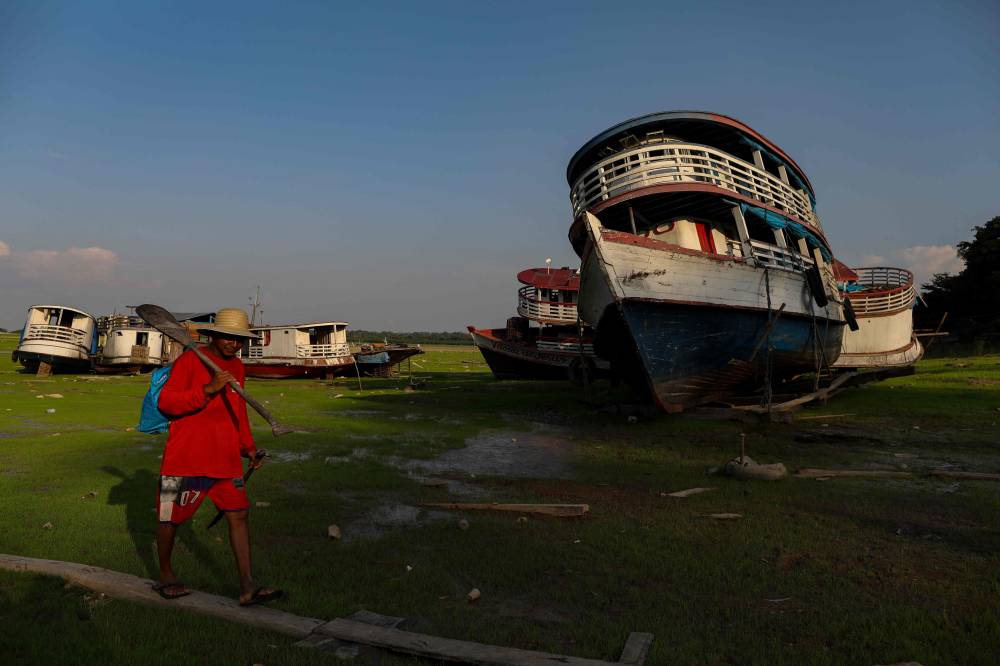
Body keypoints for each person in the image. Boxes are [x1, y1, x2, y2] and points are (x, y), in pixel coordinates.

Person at [153, 307, 282, 606]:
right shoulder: (190, 360)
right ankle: (166, 574)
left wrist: (248, 447)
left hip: (225, 459)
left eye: (239, 340)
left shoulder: (237, 367)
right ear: (213, 335)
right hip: (185, 458)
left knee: (239, 515)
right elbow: (167, 403)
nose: (233, 344)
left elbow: (237, 410)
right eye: (227, 338)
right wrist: (208, 390)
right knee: (169, 517)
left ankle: (247, 586)